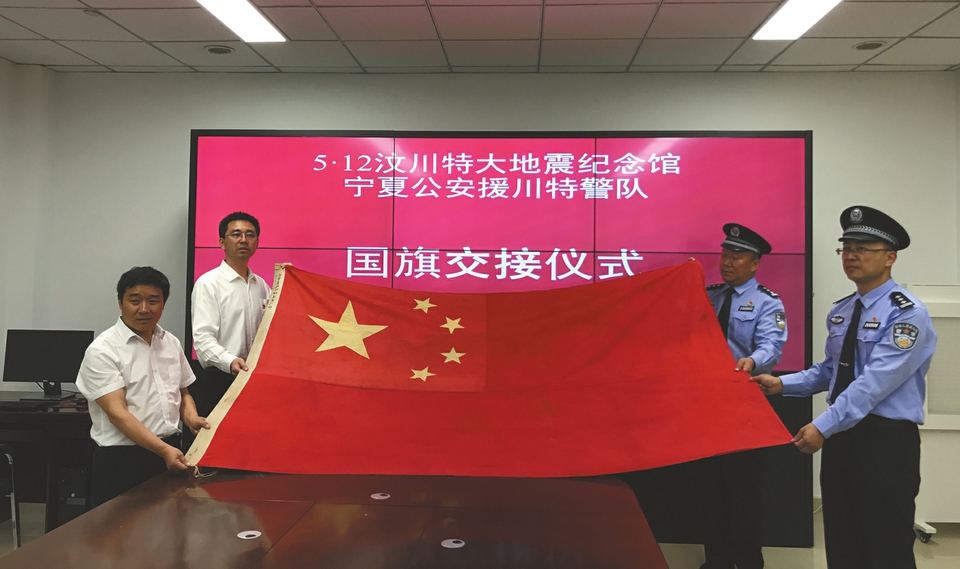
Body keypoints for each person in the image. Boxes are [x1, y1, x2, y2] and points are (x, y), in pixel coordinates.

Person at [753, 206, 936, 569]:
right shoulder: (844, 310)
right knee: (842, 535)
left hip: (884, 441)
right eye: (846, 248)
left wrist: (822, 425)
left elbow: (873, 384)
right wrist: (781, 384)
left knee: (885, 543)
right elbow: (831, 370)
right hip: (843, 436)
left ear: (890, 257)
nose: (851, 256)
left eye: (862, 248)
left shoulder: (907, 313)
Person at [76, 267, 209, 507]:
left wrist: (191, 418)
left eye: (153, 301)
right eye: (135, 301)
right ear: (120, 303)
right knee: (119, 529)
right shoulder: (103, 350)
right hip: (122, 461)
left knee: (168, 527)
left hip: (170, 452)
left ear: (163, 304)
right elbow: (117, 414)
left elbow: (182, 391)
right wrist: (163, 450)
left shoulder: (170, 342)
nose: (144, 309)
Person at [700, 223, 787, 569]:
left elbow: (772, 345)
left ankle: (748, 562)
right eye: (724, 254)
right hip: (706, 406)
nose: (727, 262)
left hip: (744, 407)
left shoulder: (766, 302)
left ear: (754, 264)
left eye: (736, 256)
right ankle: (716, 562)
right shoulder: (710, 295)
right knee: (710, 490)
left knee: (743, 491)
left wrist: (753, 361)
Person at [191, 211, 270, 419]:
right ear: (222, 242)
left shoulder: (261, 285)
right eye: (236, 234)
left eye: (250, 235)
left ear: (257, 242)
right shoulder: (209, 283)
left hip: (255, 380)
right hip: (220, 378)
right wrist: (230, 361)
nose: (243, 240)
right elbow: (203, 339)